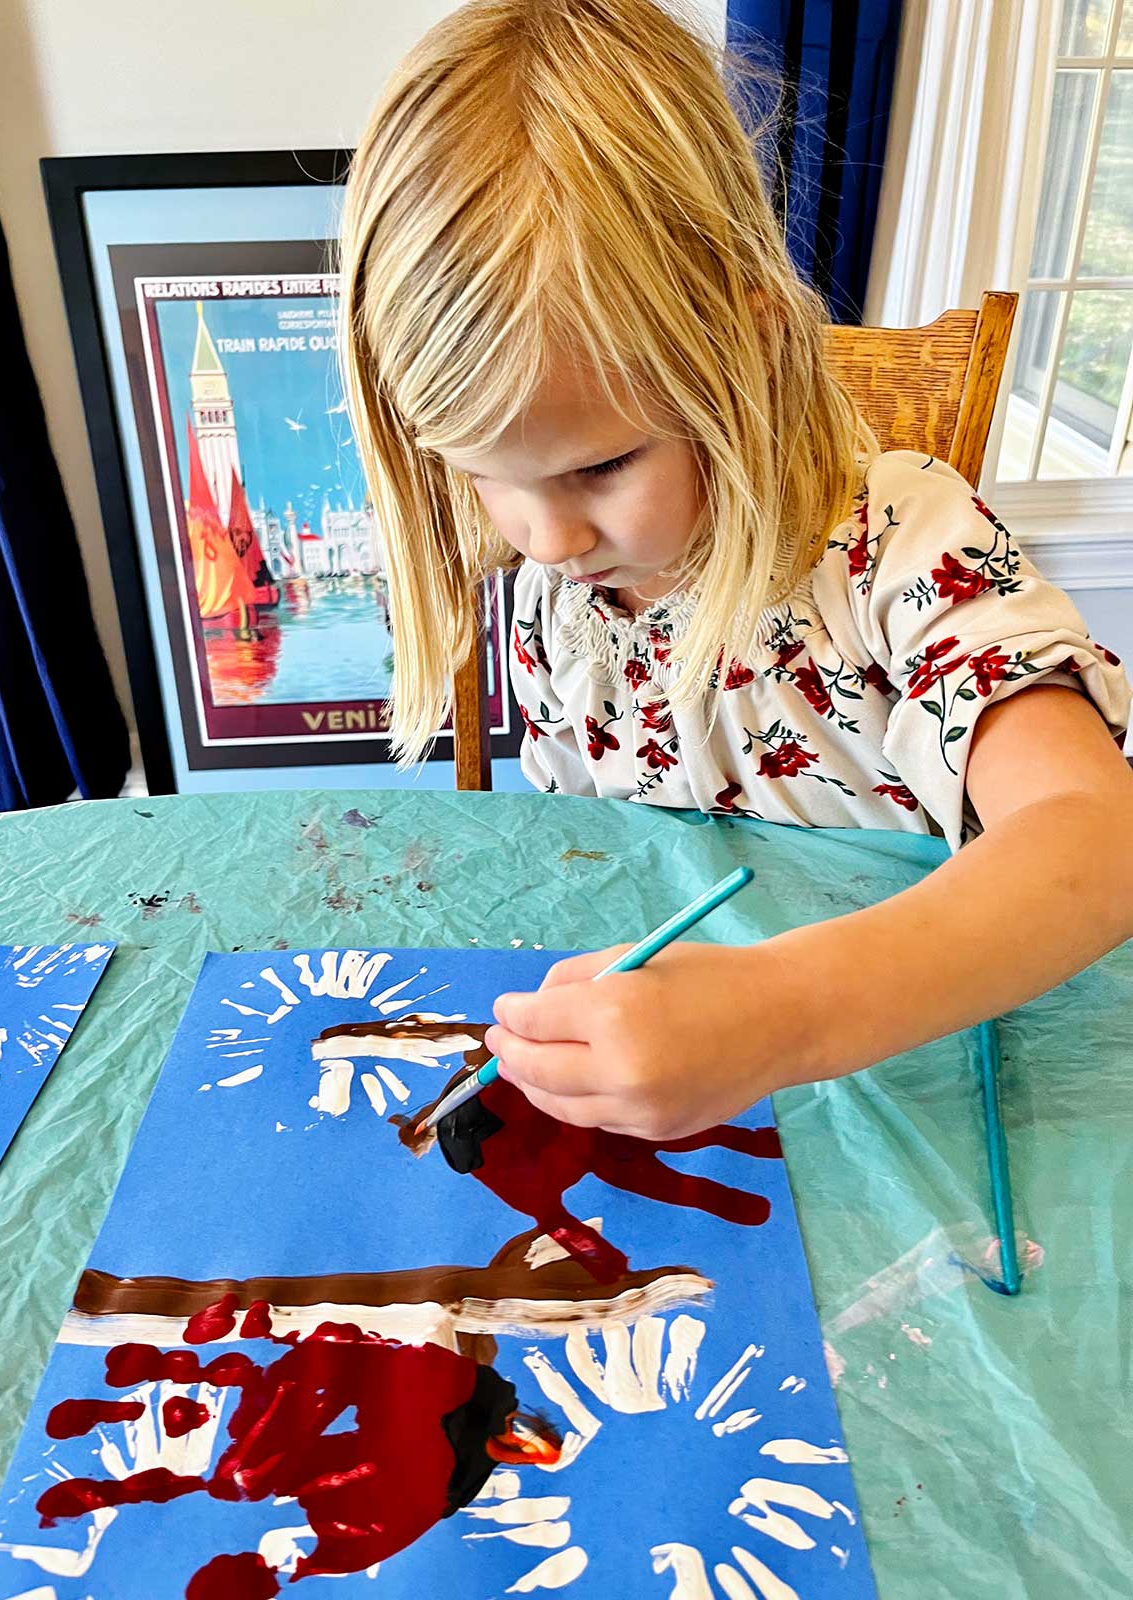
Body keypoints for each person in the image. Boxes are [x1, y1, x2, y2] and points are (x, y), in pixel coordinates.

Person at [337, 0, 1133, 1142]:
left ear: (748, 346)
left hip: (948, 1111)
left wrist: (783, 1015)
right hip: (726, 1136)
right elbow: (601, 864)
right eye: (484, 475)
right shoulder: (559, 601)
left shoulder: (900, 546)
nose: (546, 539)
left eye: (603, 464)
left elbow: (1094, 840)